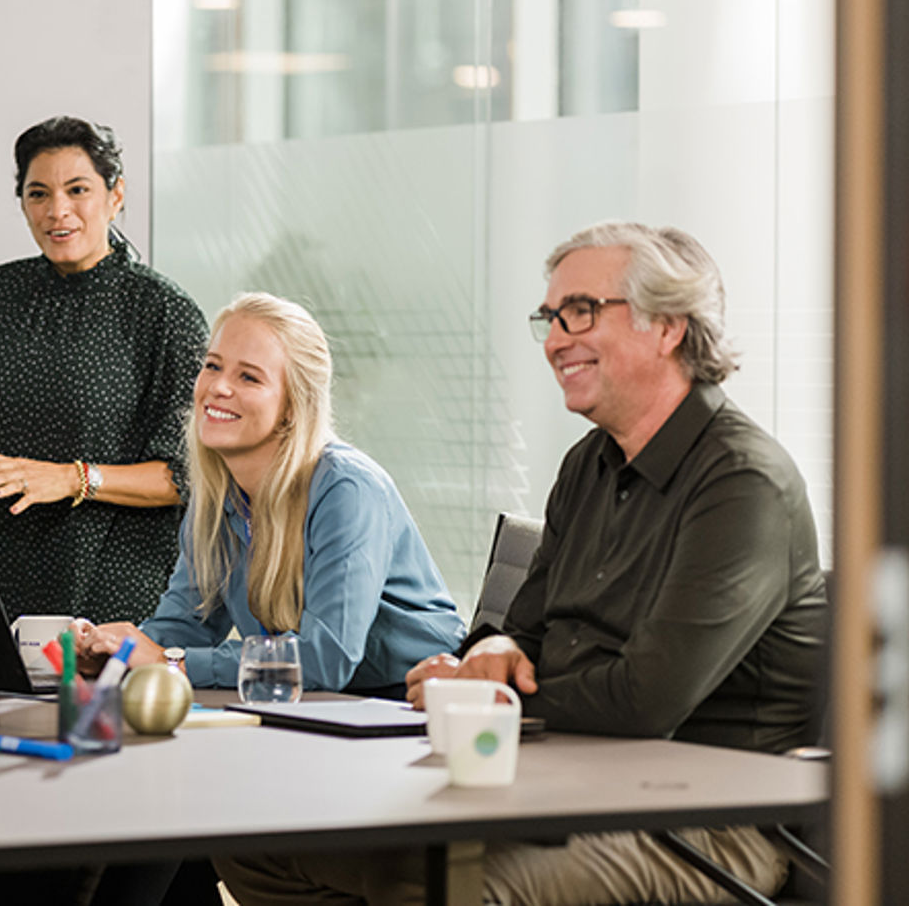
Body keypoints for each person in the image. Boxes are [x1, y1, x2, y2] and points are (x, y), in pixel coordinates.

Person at [215, 223, 828, 906]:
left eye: (581, 311)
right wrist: (487, 653)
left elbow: (646, 698)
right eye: (550, 317)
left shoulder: (743, 481)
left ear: (669, 328)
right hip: (561, 771)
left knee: (467, 886)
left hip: (705, 815)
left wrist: (488, 692)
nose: (557, 337)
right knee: (260, 840)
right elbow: (517, 631)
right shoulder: (587, 464)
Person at [0, 116, 208, 623]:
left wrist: (73, 479)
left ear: (116, 194)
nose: (57, 211)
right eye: (38, 194)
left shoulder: (163, 312)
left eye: (77, 189)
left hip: (115, 583)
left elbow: (187, 474)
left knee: (93, 704)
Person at [80, 292, 464, 695]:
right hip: (311, 705)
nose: (217, 388)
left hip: (409, 707)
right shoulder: (218, 495)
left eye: (249, 377)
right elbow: (186, 625)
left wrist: (167, 662)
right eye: (212, 366)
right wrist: (115, 651)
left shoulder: (347, 490)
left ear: (292, 407)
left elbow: (324, 659)